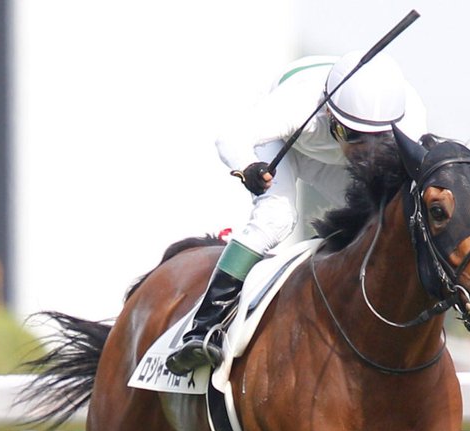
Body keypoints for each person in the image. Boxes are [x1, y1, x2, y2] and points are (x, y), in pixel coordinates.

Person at [165, 50, 428, 375]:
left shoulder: (411, 115)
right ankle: (203, 327)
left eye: (377, 141)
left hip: (328, 154)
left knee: (383, 216)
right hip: (288, 145)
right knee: (276, 217)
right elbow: (230, 138)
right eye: (351, 135)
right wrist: (247, 167)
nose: (362, 153)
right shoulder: (297, 103)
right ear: (330, 114)